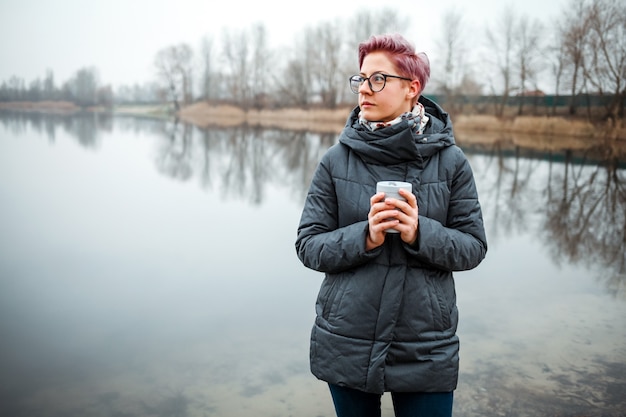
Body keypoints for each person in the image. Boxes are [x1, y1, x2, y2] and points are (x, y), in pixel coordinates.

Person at [294, 33, 488, 417]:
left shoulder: (451, 163)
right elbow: (308, 245)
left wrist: (420, 232)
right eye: (361, 79)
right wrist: (366, 236)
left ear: (411, 88)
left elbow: (472, 248)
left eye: (378, 79)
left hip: (425, 347)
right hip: (347, 340)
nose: (364, 89)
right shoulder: (335, 161)